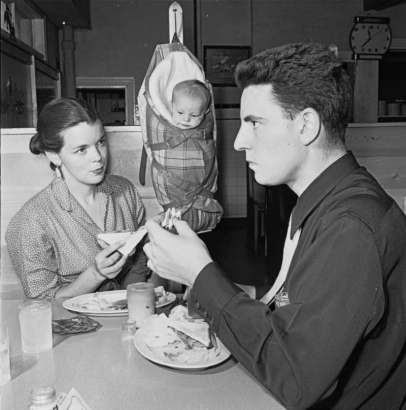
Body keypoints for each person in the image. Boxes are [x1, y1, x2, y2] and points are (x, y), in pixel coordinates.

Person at [143, 43, 406, 410]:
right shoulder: (329, 200)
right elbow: (304, 308)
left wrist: (200, 273)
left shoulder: (350, 227)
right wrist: (207, 283)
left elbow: (295, 379)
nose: (238, 141)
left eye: (254, 123)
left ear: (307, 125)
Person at [6, 97, 150, 299]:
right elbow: (43, 303)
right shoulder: (30, 221)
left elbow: (137, 266)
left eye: (100, 142)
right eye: (81, 150)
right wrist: (96, 274)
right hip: (71, 328)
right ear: (54, 155)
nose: (98, 157)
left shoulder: (124, 192)